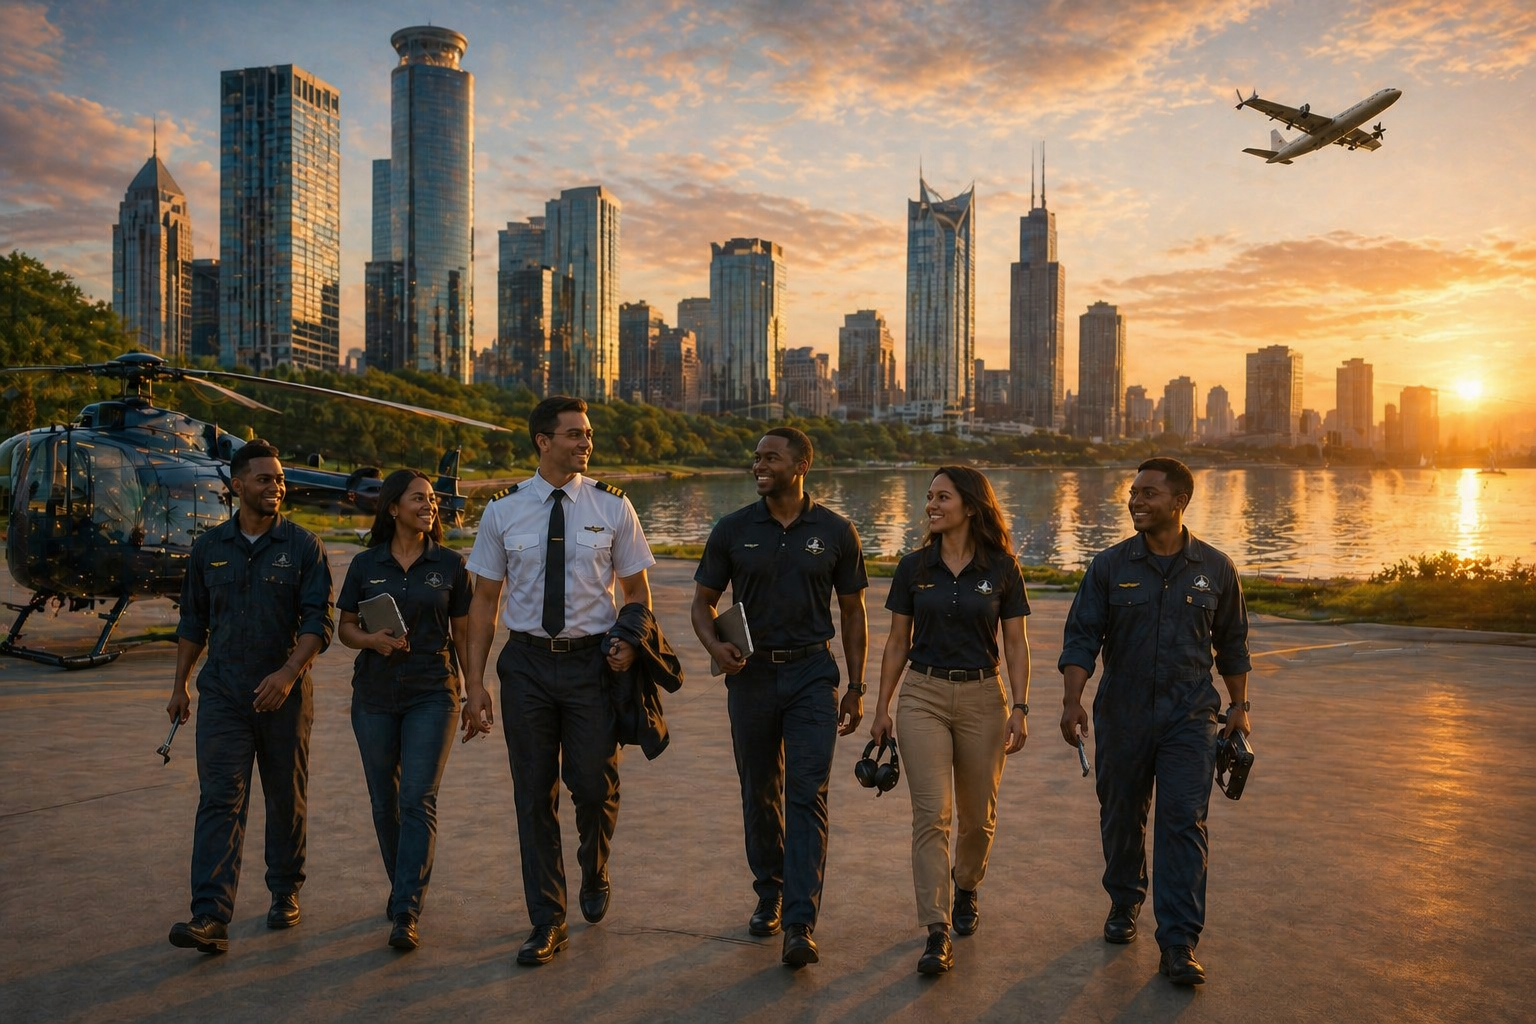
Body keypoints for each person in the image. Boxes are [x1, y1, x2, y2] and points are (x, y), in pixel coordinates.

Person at [461, 396, 655, 966]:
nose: (585, 443)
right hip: (525, 666)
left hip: (593, 664)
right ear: (543, 441)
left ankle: (594, 866)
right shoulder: (503, 511)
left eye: (588, 434)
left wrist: (626, 640)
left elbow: (637, 592)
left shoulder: (613, 507)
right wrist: (474, 683)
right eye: (574, 434)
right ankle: (548, 918)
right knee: (533, 793)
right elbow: (483, 603)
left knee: (594, 785)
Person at [1058, 457, 1251, 986]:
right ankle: (1124, 902)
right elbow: (1081, 638)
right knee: (1122, 814)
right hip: (1122, 713)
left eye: (1148, 493)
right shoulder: (1109, 566)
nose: (1136, 501)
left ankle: (1179, 941)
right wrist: (1073, 700)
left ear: (1178, 502)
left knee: (1183, 821)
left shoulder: (1216, 568)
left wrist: (1239, 707)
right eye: (1133, 492)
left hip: (1191, 715)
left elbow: (1232, 645)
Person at [690, 426, 868, 967]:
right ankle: (768, 892)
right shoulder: (733, 528)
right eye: (756, 456)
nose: (758, 464)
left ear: (801, 464)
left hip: (814, 673)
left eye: (771, 457)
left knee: (806, 793)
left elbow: (854, 614)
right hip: (751, 675)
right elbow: (702, 603)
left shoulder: (836, 531)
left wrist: (856, 687)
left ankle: (799, 922)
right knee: (760, 791)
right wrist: (716, 646)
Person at [165, 439, 334, 954]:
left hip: (284, 695)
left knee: (286, 798)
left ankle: (285, 889)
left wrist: (286, 674)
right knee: (220, 799)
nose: (275, 487)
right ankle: (210, 916)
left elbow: (318, 622)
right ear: (237, 486)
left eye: (280, 479)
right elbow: (193, 621)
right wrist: (180, 684)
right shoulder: (209, 549)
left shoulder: (304, 547)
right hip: (224, 695)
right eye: (264, 479)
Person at [871, 466, 1032, 974]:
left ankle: (966, 886)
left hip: (985, 697)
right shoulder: (913, 566)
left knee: (978, 818)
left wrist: (1021, 707)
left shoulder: (1003, 567)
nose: (931, 505)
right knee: (931, 815)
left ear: (970, 505)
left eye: (942, 497)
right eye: (929, 497)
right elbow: (897, 641)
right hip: (922, 694)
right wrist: (882, 706)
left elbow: (1015, 644)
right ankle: (936, 930)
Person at [336, 469, 473, 951]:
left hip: (433, 692)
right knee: (384, 800)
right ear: (393, 508)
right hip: (374, 694)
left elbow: (464, 634)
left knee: (417, 797)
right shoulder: (364, 563)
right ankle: (403, 888)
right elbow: (345, 628)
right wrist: (371, 640)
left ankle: (407, 907)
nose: (429, 505)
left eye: (432, 499)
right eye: (419, 498)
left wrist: (475, 687)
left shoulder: (451, 565)